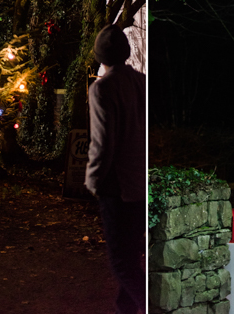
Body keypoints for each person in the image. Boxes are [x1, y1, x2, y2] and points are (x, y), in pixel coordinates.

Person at [85, 24, 146, 314]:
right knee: (132, 256)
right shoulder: (142, 82)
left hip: (117, 186)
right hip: (138, 182)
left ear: (100, 56)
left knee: (122, 263)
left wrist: (93, 180)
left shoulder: (102, 88)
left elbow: (102, 141)